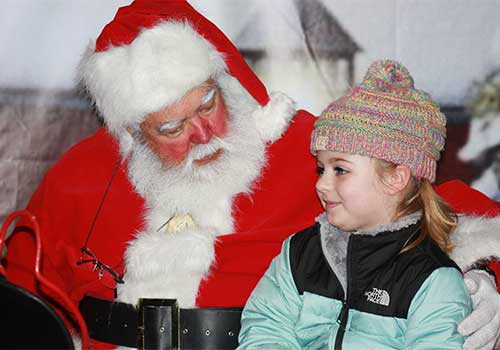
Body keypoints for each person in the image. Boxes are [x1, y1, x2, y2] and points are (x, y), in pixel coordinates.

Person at [3, 1, 500, 349]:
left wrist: (482, 277)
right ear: (133, 132)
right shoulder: (82, 177)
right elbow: (22, 300)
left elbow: (439, 207)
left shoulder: (308, 147)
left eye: (207, 102)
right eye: (171, 127)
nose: (202, 133)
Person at [238, 59, 473, 349]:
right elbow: (265, 326)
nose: (321, 185)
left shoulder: (433, 280)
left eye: (340, 170)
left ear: (395, 178)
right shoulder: (298, 253)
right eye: (320, 169)